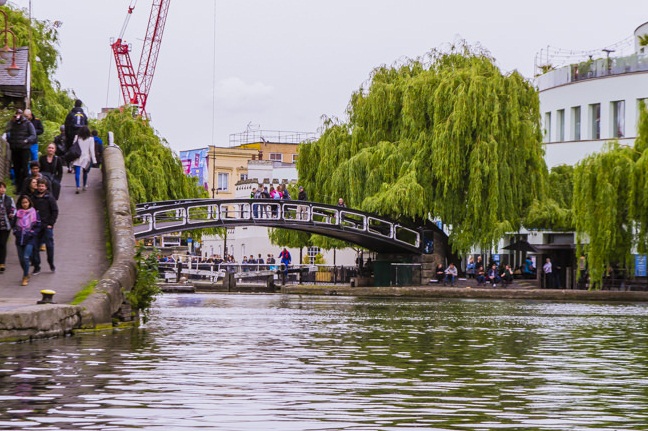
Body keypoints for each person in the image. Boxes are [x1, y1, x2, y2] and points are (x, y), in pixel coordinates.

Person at [6, 108, 37, 193]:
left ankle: (26, 188)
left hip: (24, 149)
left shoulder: (28, 124)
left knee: (24, 169)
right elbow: (8, 131)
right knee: (16, 169)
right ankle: (18, 188)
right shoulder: (13, 123)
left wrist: (26, 140)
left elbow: (33, 135)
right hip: (15, 149)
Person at [31, 179, 58, 273]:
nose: (41, 188)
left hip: (47, 226)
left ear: (46, 187)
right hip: (36, 226)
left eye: (42, 186)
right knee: (35, 246)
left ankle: (51, 263)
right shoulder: (33, 198)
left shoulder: (50, 198)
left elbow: (55, 211)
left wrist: (51, 224)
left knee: (49, 246)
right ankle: (37, 266)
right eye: (39, 186)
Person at [13, 195, 40, 286]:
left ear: (29, 203)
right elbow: (13, 224)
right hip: (19, 238)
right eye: (23, 203)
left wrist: (32, 233)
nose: (25, 204)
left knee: (26, 257)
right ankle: (26, 272)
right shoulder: (18, 213)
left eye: (26, 202)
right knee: (21, 259)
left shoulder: (34, 212)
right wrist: (16, 231)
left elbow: (38, 226)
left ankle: (25, 277)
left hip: (29, 239)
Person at [71, 126, 97, 194]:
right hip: (86, 158)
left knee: (77, 173)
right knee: (85, 172)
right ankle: (84, 185)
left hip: (77, 156)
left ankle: (77, 186)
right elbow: (92, 150)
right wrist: (94, 160)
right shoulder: (91, 139)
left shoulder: (77, 137)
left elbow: (73, 146)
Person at [0, 182, 16, 273]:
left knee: (2, 244)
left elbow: (13, 208)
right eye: (0, 188)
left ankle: (2, 263)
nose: (2, 189)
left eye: (3, 188)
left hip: (5, 225)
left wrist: (12, 214)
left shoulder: (9, 199)